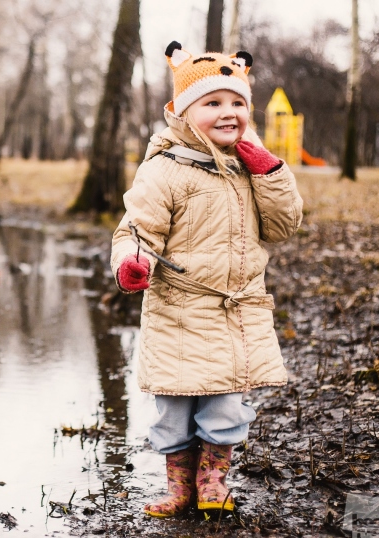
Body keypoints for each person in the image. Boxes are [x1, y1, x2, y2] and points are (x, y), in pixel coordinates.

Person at [110, 41, 303, 518]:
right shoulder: (164, 170)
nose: (228, 112)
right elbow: (136, 230)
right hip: (178, 309)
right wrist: (134, 262)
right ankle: (178, 487)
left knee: (224, 409)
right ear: (182, 111)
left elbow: (282, 227)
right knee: (174, 409)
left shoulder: (249, 167)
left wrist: (270, 172)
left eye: (237, 102)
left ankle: (213, 482)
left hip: (235, 310)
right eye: (213, 103)